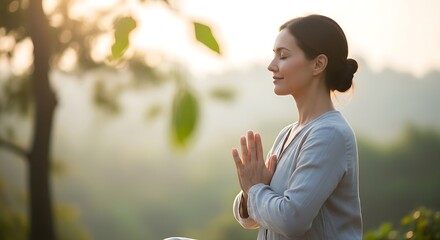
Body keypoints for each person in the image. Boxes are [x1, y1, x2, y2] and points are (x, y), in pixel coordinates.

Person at [232, 14, 362, 240]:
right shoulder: (288, 133)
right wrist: (249, 193)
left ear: (318, 64)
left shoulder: (330, 134)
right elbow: (252, 217)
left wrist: (254, 190)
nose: (271, 66)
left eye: (283, 56)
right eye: (274, 55)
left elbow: (291, 220)